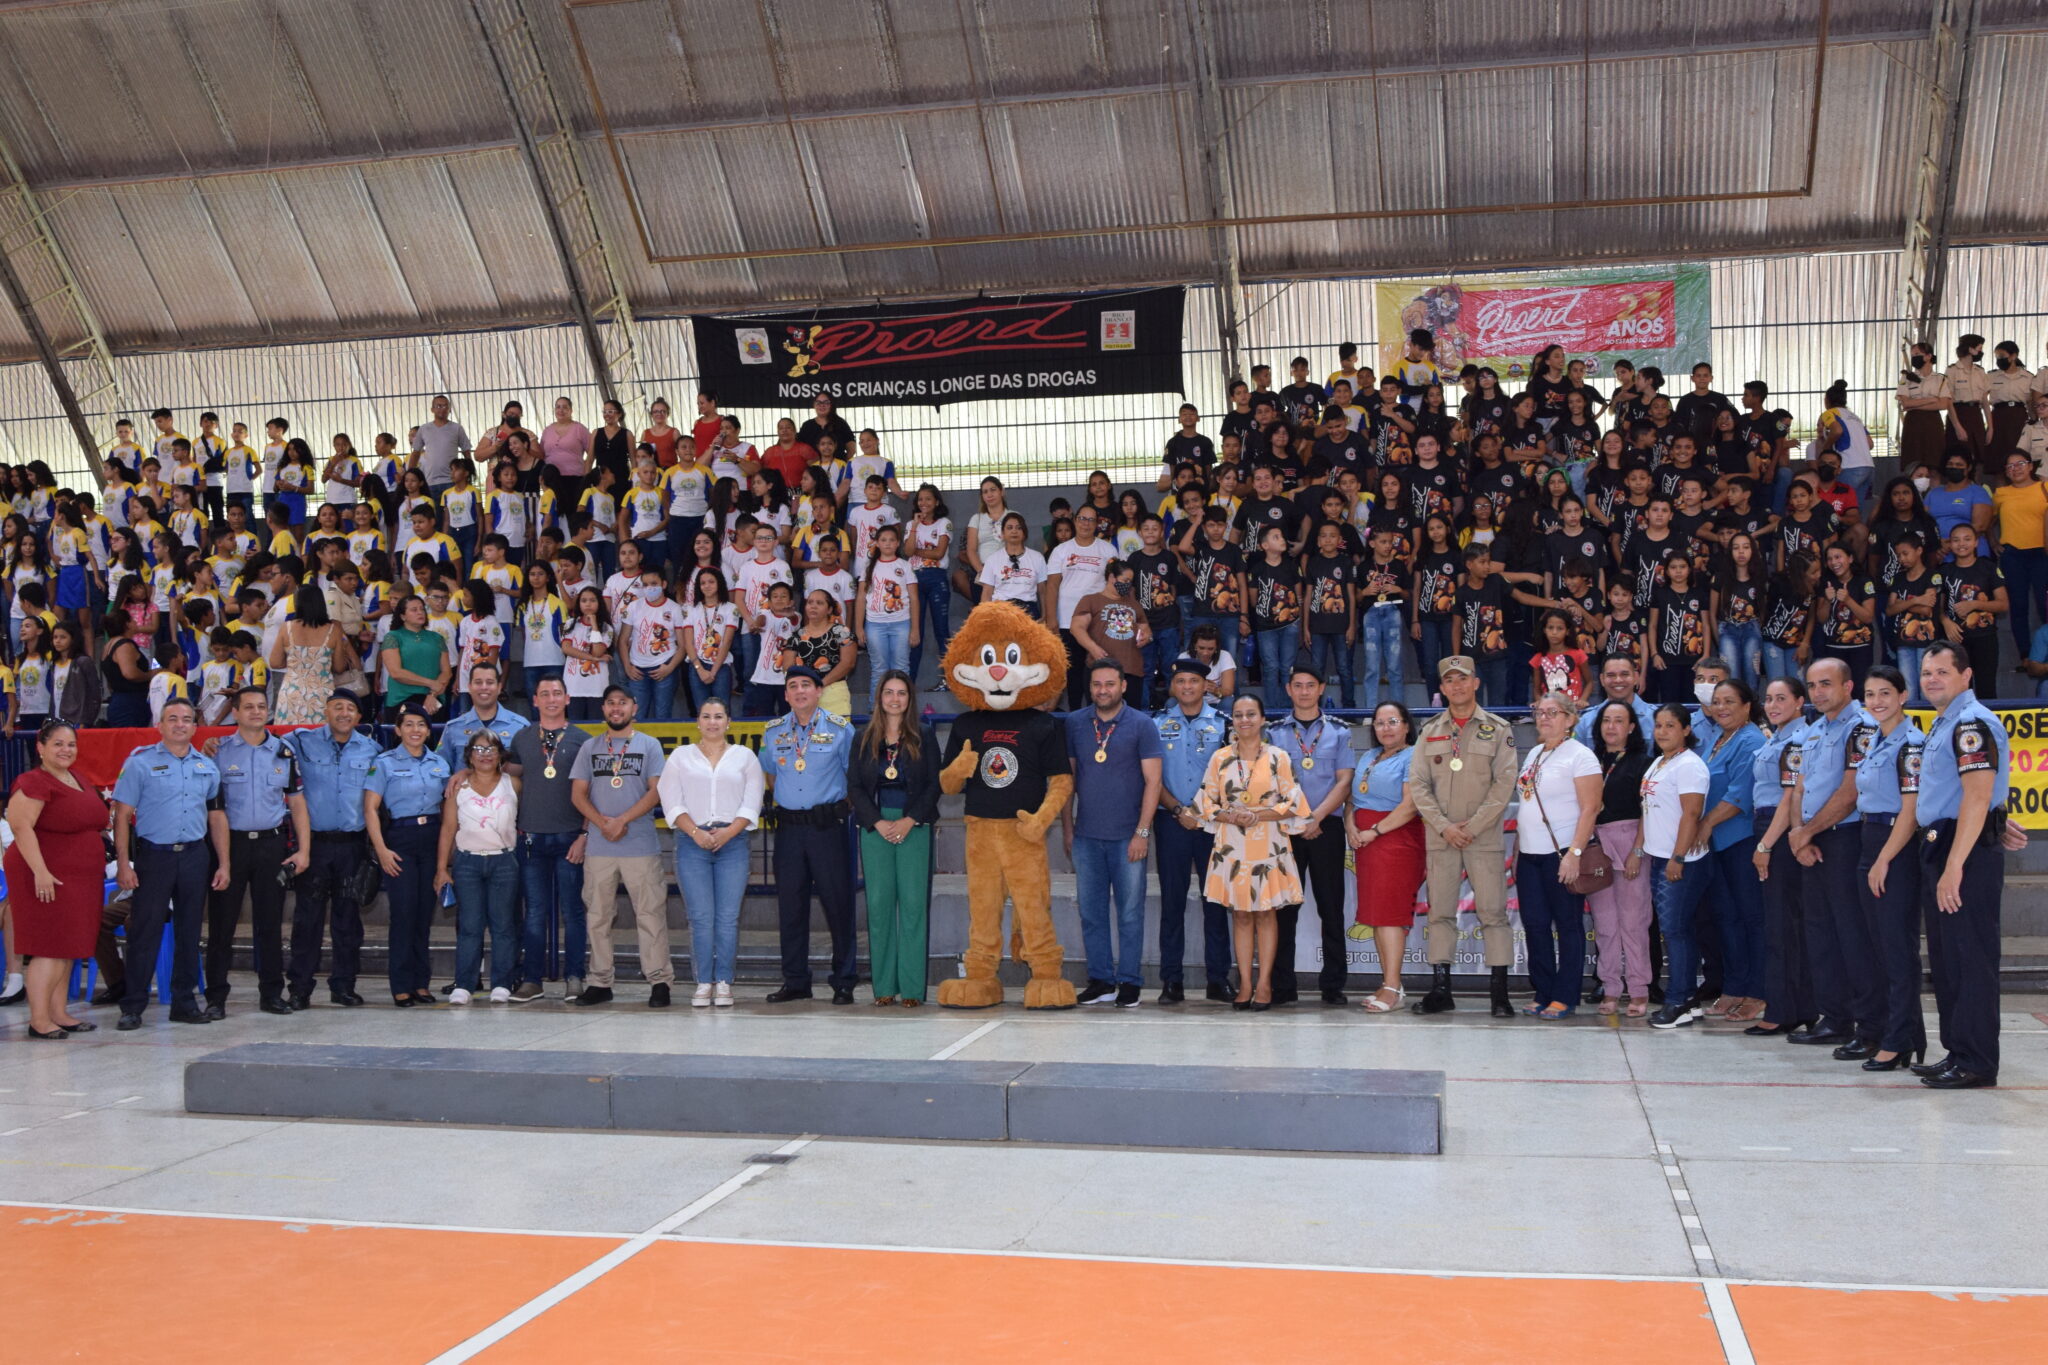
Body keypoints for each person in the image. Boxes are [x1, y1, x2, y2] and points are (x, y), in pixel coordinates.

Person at [1765, 657, 1876, 1051]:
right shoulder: (1812, 732)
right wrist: (1799, 834)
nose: (1818, 692)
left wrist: (1806, 832)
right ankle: (1834, 1018)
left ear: (1848, 686)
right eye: (1812, 685)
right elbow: (1798, 787)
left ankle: (1867, 1024)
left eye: (1826, 684)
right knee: (1820, 932)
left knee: (1851, 933)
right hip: (1810, 840)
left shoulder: (1863, 727)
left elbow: (1850, 792)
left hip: (1845, 838)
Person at [1912, 641, 2008, 1089]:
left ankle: (1976, 1060)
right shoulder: (1945, 722)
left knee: (1970, 958)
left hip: (1961, 852)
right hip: (1944, 843)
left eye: (1942, 672)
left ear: (1966, 675)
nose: (1931, 679)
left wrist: (1955, 866)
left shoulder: (1971, 723)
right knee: (1949, 959)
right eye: (1926, 672)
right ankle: (1958, 1051)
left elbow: (1977, 795)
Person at [1406, 655, 1519, 1016]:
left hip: (1481, 837)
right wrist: (1444, 826)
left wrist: (1470, 828)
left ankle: (1499, 993)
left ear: (1476, 683)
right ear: (1442, 687)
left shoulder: (1499, 729)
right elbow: (1419, 786)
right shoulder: (1429, 731)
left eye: (1463, 679)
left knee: (1493, 913)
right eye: (1449, 680)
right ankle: (1441, 990)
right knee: (1440, 913)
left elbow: (1505, 785)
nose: (1456, 685)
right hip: (1441, 837)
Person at [111, 699, 228, 1030]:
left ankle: (184, 1002)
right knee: (145, 931)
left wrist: (224, 863)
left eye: (187, 720)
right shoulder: (140, 763)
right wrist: (124, 863)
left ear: (194, 727)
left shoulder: (207, 767)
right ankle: (133, 1005)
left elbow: (217, 817)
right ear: (160, 726)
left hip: (194, 855)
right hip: (154, 856)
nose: (180, 725)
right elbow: (121, 816)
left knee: (190, 932)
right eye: (172, 719)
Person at [1194, 693, 1314, 1010]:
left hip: (1268, 843)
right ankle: (1245, 984)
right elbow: (1206, 802)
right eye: (1238, 714)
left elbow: (1293, 802)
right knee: (1242, 915)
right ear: (1231, 720)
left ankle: (1264, 984)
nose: (1244, 720)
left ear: (1262, 719)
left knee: (1266, 913)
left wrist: (1258, 815)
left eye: (1251, 714)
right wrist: (1231, 815)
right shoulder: (1220, 758)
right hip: (1232, 844)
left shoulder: (1279, 757)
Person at [1060, 658, 1163, 1007]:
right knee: (1091, 912)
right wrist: (1068, 829)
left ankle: (1130, 982)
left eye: (1109, 684)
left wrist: (1142, 833)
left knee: (1131, 913)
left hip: (1127, 838)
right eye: (1096, 685)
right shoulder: (1075, 723)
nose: (1102, 690)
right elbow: (1067, 783)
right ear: (1090, 688)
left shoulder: (1142, 725)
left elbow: (1153, 782)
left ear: (1123, 686)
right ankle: (1101, 980)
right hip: (1087, 837)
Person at [206, 687, 310, 1018]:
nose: (255, 712)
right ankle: (216, 997)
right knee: (222, 925)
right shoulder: (218, 751)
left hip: (271, 844)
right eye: (248, 707)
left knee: (269, 923)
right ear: (234, 712)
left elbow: (297, 803)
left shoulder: (283, 752)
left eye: (261, 707)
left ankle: (271, 994)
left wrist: (304, 850)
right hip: (230, 846)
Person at [1845, 664, 1929, 1071]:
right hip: (1869, 839)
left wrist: (1884, 859)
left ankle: (1898, 1040)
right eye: (1870, 694)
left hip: (1894, 846)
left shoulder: (1910, 744)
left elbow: (1910, 810)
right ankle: (1902, 1033)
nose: (1876, 702)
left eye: (1884, 693)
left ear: (1903, 695)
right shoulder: (1874, 740)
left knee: (1897, 948)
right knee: (1876, 945)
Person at [570, 686, 674, 1007]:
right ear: (603, 709)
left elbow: (656, 792)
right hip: (601, 847)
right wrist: (604, 824)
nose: (617, 708)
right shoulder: (589, 747)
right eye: (611, 703)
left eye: (623, 703)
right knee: (598, 915)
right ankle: (600, 981)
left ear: (634, 707)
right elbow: (577, 794)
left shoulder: (649, 745)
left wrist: (622, 819)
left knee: (650, 913)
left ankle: (659, 980)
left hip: (640, 845)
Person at [759, 667, 858, 1003]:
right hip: (788, 829)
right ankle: (796, 980)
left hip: (826, 828)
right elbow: (771, 776)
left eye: (806, 685)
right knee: (790, 906)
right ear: (785, 695)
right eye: (792, 686)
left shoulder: (841, 730)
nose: (799, 691)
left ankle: (843, 980)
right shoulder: (773, 732)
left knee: (838, 904)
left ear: (819, 691)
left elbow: (854, 779)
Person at [5, 722, 110, 1038]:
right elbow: (22, 828)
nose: (66, 750)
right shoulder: (32, 782)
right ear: (40, 747)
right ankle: (39, 1020)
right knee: (49, 946)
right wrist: (41, 872)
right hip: (45, 874)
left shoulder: (76, 777)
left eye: (71, 744)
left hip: (79, 877)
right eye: (58, 744)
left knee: (68, 945)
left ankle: (58, 1012)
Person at [656, 696, 762, 1008]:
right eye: (706, 716)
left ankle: (725, 981)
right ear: (698, 722)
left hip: (734, 842)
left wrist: (728, 832)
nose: (712, 722)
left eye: (718, 716)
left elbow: (752, 801)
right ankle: (703, 982)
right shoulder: (680, 757)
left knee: (728, 917)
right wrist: (696, 832)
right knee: (700, 917)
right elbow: (671, 800)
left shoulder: (745, 757)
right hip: (692, 842)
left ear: (729, 722)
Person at [848, 672, 940, 1006]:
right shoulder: (862, 737)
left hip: (913, 824)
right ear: (879, 698)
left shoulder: (924, 736)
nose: (895, 699)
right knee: (879, 906)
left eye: (902, 693)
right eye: (889, 692)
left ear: (909, 699)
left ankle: (913, 989)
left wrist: (910, 818)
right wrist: (876, 821)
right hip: (876, 828)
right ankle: (884, 987)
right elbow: (855, 786)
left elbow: (934, 784)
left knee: (914, 906)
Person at [283, 689, 380, 1010]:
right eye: (337, 707)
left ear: (359, 717)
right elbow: (264, 745)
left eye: (350, 709)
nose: (343, 713)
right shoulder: (302, 741)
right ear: (325, 711)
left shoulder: (371, 750)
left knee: (348, 921)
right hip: (314, 845)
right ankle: (299, 988)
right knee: (306, 920)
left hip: (352, 847)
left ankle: (344, 985)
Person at [1267, 664, 1356, 1005]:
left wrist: (1314, 817)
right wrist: (1297, 818)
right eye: (1297, 686)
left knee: (1330, 907)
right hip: (1285, 828)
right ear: (1288, 690)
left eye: (1310, 685)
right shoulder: (1273, 733)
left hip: (1326, 827)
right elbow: (1269, 783)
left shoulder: (1339, 731)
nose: (1304, 691)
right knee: (1283, 909)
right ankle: (1282, 985)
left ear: (1321, 689)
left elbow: (1344, 780)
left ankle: (1333, 984)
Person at [1514, 691, 1604, 1019]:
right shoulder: (1535, 753)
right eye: (1540, 712)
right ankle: (1543, 990)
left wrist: (1575, 853)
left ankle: (1565, 995)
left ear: (1569, 719)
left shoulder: (1581, 756)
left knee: (1567, 924)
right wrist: (1518, 848)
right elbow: (1527, 802)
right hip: (1529, 855)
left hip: (1562, 852)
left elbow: (1591, 808)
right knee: (1535, 924)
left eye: (1553, 712)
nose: (1544, 718)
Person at [1150, 660, 1231, 1003]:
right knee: (1172, 902)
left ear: (1205, 685)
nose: (1186, 687)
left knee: (1215, 902)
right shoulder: (1155, 725)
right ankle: (1172, 980)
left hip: (1213, 823)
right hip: (1172, 821)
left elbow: (1231, 777)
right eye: (1180, 681)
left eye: (1194, 681)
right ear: (1173, 686)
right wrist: (1179, 810)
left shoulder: (1224, 725)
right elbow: (1151, 778)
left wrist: (1201, 812)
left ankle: (1218, 979)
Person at [507, 678, 591, 1001]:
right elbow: (501, 770)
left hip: (570, 837)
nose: (552, 699)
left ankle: (574, 976)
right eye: (545, 694)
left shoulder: (583, 741)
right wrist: (464, 772)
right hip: (531, 838)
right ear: (535, 699)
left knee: (573, 911)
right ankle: (532, 979)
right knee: (535, 911)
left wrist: (584, 835)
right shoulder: (524, 738)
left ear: (568, 698)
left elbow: (591, 793)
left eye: (557, 693)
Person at [363, 700, 451, 1007]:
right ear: (398, 730)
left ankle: (421, 983)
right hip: (399, 839)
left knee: (424, 914)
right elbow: (370, 809)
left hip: (432, 838)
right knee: (403, 913)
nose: (415, 730)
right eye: (409, 725)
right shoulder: (384, 762)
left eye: (421, 725)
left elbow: (448, 807)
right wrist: (382, 849)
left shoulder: (439, 763)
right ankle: (401, 984)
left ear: (429, 731)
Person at [1693, 679, 1768, 1023]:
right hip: (1717, 846)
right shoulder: (1715, 740)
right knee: (1727, 917)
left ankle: (1758, 991)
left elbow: (1740, 794)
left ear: (1746, 705)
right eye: (1717, 702)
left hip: (1740, 841)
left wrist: (1704, 824)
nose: (1721, 708)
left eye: (1729, 701)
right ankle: (1734, 986)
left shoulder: (1751, 740)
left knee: (1751, 917)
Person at [1346, 700, 1426, 1013]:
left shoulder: (1413, 756)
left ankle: (1392, 986)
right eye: (1379, 723)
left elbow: (1410, 805)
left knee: (1391, 915)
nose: (1386, 728)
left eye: (1393, 721)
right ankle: (1389, 982)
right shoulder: (1368, 756)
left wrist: (1375, 831)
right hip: (1365, 844)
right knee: (1377, 915)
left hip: (1395, 841)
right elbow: (1353, 799)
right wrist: (1350, 825)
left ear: (1406, 725)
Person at [1636, 704, 1711, 1028]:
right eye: (1658, 725)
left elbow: (1691, 814)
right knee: (1679, 930)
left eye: (1670, 725)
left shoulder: (1690, 766)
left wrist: (1677, 857)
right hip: (1659, 857)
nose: (1663, 731)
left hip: (1680, 862)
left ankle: (1678, 1000)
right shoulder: (1659, 763)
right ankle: (1690, 997)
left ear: (1686, 730)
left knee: (1675, 931)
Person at [432, 728, 520, 1005]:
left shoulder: (514, 783)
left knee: (503, 924)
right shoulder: (458, 786)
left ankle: (502, 982)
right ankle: (465, 983)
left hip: (503, 860)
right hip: (467, 861)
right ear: (469, 755)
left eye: (491, 749)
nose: (485, 755)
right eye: (479, 749)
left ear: (500, 755)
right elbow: (447, 829)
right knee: (470, 925)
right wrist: (442, 868)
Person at [1747, 676, 1813, 1037]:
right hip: (1769, 826)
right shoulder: (1781, 737)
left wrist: (1766, 845)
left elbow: (1790, 799)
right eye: (1768, 699)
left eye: (1781, 699)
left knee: (1782, 926)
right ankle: (1796, 1006)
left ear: (1800, 701)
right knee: (1782, 923)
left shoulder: (1796, 741)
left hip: (1778, 830)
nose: (1772, 706)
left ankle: (1784, 1009)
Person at [269, 584, 356, 725]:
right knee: (320, 739)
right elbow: (339, 667)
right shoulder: (333, 630)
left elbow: (275, 662)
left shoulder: (288, 627)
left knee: (289, 739)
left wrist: (296, 661)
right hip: (321, 695)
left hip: (292, 692)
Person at [436, 661, 531, 770]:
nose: (484, 687)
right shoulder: (453, 728)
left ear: (499, 687)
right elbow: (442, 770)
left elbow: (529, 771)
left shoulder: (520, 727)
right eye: (478, 682)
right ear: (469, 687)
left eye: (490, 682)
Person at [380, 592, 452, 716]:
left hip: (433, 700)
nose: (420, 612)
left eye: (422, 609)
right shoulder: (393, 637)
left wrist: (432, 694)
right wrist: (430, 683)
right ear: (403, 616)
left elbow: (446, 671)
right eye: (414, 610)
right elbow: (396, 673)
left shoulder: (436, 638)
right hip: (402, 699)